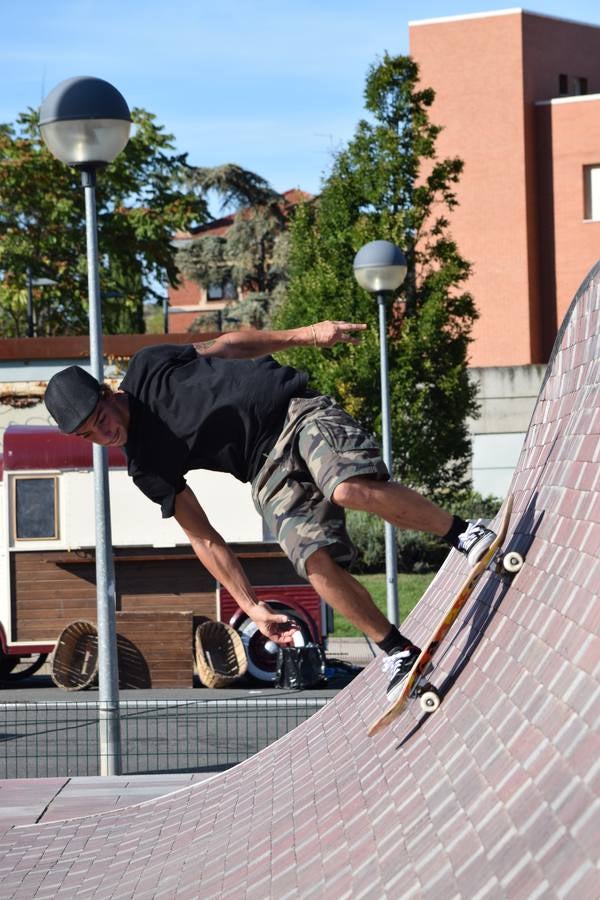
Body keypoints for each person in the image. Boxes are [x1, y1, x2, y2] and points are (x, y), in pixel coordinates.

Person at [44, 321, 495, 700]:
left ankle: (464, 533)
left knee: (346, 489)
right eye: (89, 436)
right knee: (310, 560)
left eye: (100, 421)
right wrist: (251, 606)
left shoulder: (148, 366)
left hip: (295, 412)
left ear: (107, 394)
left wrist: (309, 335)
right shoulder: (147, 468)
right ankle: (397, 651)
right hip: (263, 470)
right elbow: (204, 538)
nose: (104, 436)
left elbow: (227, 345)